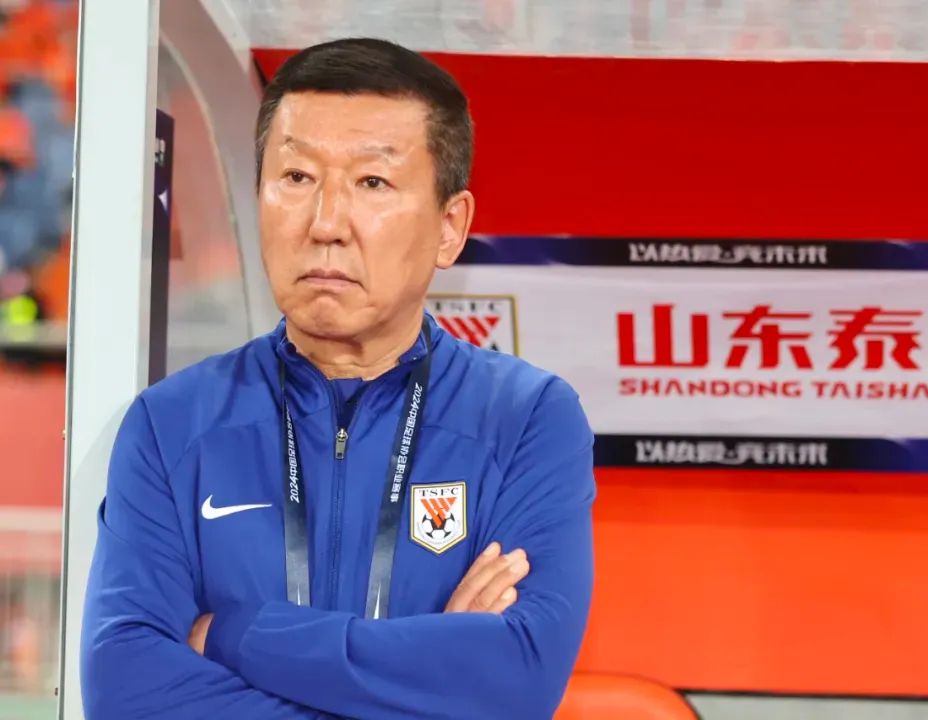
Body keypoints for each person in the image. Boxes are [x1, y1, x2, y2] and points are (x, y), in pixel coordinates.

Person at [81, 38, 596, 720]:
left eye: (372, 183)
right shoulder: (172, 423)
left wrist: (235, 635)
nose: (326, 224)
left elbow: (515, 681)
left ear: (450, 227)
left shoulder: (526, 419)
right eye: (296, 177)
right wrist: (427, 680)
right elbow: (125, 689)